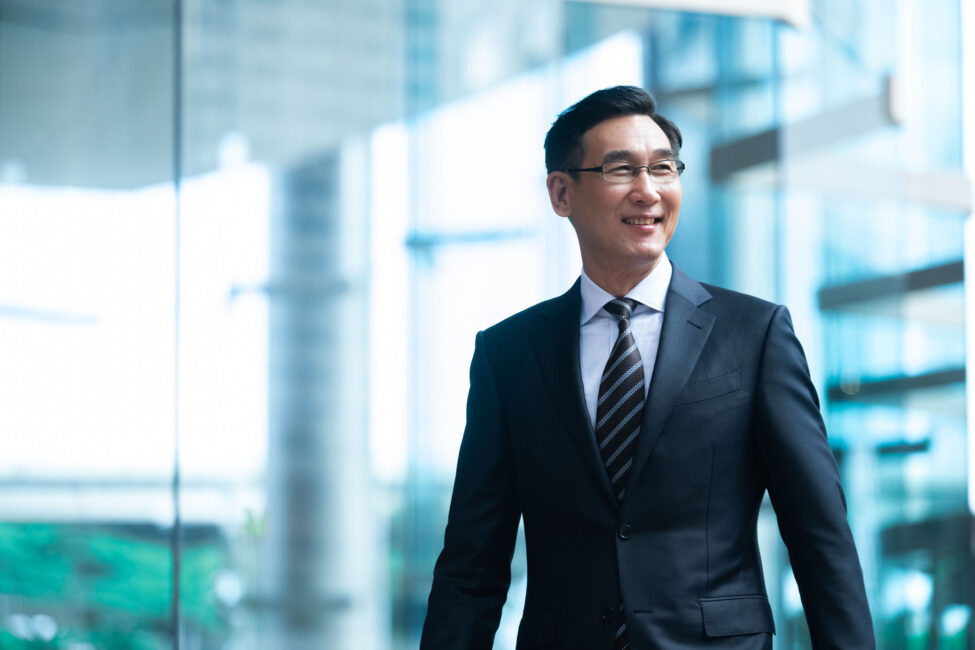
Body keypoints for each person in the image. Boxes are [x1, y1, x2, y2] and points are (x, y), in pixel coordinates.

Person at [420, 85, 874, 649]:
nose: (648, 191)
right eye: (621, 170)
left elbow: (820, 538)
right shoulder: (509, 354)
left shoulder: (754, 335)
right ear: (561, 193)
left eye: (663, 169)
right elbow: (472, 562)